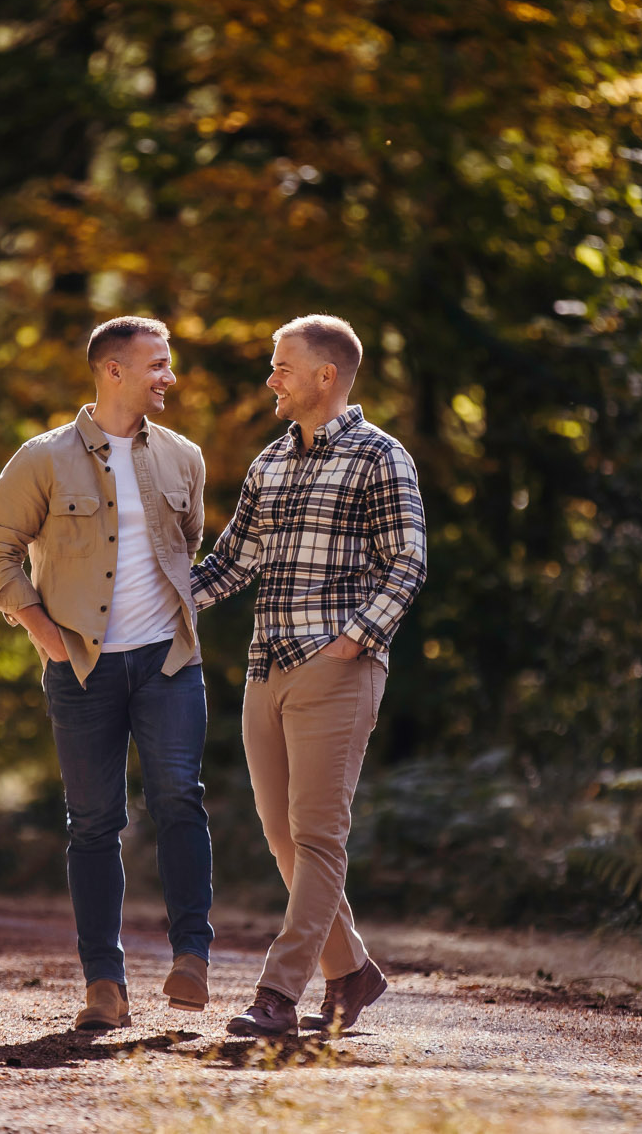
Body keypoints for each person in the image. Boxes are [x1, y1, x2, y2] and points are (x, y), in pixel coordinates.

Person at [192, 314, 428, 1037]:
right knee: (282, 835)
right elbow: (231, 563)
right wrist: (144, 606)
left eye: (282, 366)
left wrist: (352, 643)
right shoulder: (271, 461)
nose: (272, 379)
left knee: (318, 836)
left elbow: (407, 562)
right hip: (265, 670)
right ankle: (353, 971)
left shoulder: (380, 457)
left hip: (335, 670)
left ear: (325, 375)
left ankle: (277, 994)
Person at [0, 316, 214, 1031]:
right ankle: (103, 984)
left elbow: (189, 548)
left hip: (168, 660)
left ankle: (192, 957)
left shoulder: (185, 457)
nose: (168, 377)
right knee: (93, 823)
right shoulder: (41, 458)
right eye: (157, 364)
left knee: (180, 796)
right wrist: (47, 635)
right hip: (81, 667)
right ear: (113, 369)